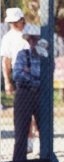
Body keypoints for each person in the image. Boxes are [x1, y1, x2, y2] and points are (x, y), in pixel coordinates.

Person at [0, 8, 37, 153]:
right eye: (11, 22)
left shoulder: (34, 31)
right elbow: (6, 61)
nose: (13, 25)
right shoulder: (8, 37)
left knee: (39, 113)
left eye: (16, 22)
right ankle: (28, 141)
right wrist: (7, 81)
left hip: (38, 77)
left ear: (22, 19)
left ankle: (39, 141)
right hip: (21, 79)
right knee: (24, 113)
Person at [11, 25, 49, 161]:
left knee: (45, 131)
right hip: (24, 94)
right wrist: (36, 77)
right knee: (21, 131)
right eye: (31, 39)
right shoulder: (22, 54)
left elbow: (48, 77)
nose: (33, 42)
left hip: (41, 95)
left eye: (36, 39)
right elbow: (17, 75)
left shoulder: (46, 58)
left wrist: (29, 73)